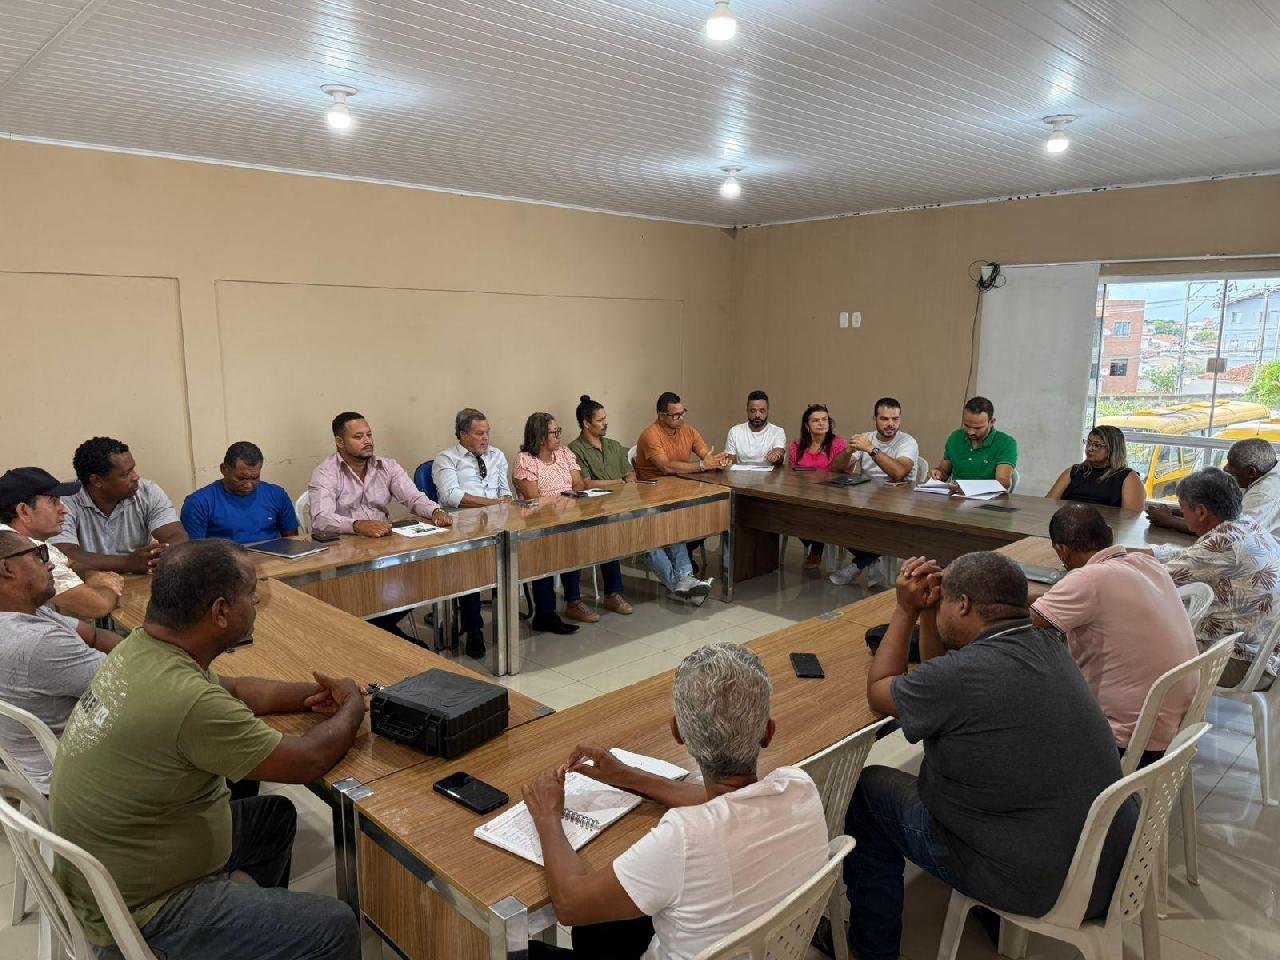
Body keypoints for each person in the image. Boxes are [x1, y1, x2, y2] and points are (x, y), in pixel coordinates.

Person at [51, 539, 364, 960]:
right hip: (144, 912)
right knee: (334, 925)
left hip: (112, 873)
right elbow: (307, 761)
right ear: (220, 612)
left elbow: (236, 689)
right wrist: (354, 708)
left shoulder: (140, 648)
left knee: (274, 817)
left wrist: (315, 695)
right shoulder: (188, 701)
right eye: (250, 595)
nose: (255, 604)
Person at [844, 552, 1137, 960]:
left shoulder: (962, 678)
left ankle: (871, 950)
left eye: (944, 599)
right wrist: (931, 615)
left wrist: (905, 609)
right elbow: (942, 673)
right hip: (1112, 866)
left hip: (1039, 883)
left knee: (869, 793)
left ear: (963, 604)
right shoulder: (1050, 642)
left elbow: (880, 686)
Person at [521, 643, 828, 960]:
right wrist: (627, 776)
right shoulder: (799, 786)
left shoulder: (684, 838)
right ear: (768, 733)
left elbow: (570, 904)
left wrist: (548, 814)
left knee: (516, 950)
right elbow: (727, 801)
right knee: (600, 924)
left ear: (677, 731)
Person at [1031, 504, 1198, 766]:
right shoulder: (1146, 563)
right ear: (1109, 534)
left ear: (1061, 550)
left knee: (1022, 709)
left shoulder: (1088, 580)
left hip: (1128, 741)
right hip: (1174, 727)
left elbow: (1033, 623)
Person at [309, 411, 452, 640]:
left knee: (425, 580)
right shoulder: (326, 473)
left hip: (385, 550)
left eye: (369, 434)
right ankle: (392, 639)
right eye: (359, 436)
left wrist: (435, 511)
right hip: (347, 557)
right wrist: (357, 525)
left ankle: (373, 634)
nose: (368, 441)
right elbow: (321, 519)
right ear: (339, 442)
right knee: (359, 601)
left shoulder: (387, 467)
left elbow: (413, 499)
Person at [0, 530, 120, 793]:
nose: (51, 563)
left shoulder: (26, 613)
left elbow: (96, 635)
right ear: (7, 568)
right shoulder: (38, 642)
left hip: (36, 763)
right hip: (77, 778)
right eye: (39, 555)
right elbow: (131, 682)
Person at [1156, 468, 1280, 690]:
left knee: (1137, 639)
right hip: (1267, 656)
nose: (1182, 516)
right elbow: (1194, 556)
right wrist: (1148, 553)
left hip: (1240, 664)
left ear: (1201, 512)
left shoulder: (1220, 545)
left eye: (1183, 510)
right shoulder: (1246, 525)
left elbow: (1151, 582)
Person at [432, 408, 513, 658]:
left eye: (487, 432)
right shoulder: (446, 459)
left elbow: (505, 490)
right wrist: (491, 505)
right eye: (479, 433)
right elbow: (451, 497)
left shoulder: (497, 455)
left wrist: (505, 501)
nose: (485, 438)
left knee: (519, 550)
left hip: (499, 523)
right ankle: (474, 629)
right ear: (462, 434)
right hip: (462, 527)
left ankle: (532, 615)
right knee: (470, 567)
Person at [51, 436, 188, 575]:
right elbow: (63, 554)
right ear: (97, 480)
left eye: (133, 469)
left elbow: (177, 536)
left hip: (139, 582)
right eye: (125, 474)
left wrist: (161, 554)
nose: (136, 477)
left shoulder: (147, 492)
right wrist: (127, 563)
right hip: (87, 584)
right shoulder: (64, 500)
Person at [634, 392, 723, 602]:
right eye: (675, 415)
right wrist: (701, 466)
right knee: (656, 539)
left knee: (676, 530)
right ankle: (682, 584)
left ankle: (685, 583)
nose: (681, 418)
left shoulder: (688, 430)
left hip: (680, 494)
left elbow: (705, 454)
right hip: (650, 497)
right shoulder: (651, 434)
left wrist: (716, 460)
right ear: (661, 415)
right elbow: (665, 466)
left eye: (683, 413)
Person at [0, 467, 123, 619]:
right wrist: (107, 584)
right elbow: (97, 606)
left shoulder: (17, 539)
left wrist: (93, 575)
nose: (65, 510)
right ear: (24, 511)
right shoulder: (23, 553)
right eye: (54, 501)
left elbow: (70, 563)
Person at [513, 412, 596, 635]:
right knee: (547, 553)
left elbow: (579, 484)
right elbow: (533, 497)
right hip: (538, 523)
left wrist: (564, 503)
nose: (559, 436)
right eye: (554, 432)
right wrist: (561, 502)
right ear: (540, 436)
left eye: (559, 431)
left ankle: (574, 601)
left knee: (573, 542)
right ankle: (545, 614)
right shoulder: (525, 460)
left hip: (569, 516)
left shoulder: (565, 453)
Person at [829, 398, 919, 586]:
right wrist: (848, 451)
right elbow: (836, 469)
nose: (890, 424)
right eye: (885, 419)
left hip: (899, 503)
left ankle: (857, 565)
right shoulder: (865, 437)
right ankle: (873, 561)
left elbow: (899, 473)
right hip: (867, 499)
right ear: (875, 419)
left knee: (881, 526)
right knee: (835, 518)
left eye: (895, 419)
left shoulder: (907, 441)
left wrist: (871, 449)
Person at [566, 395, 635, 616]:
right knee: (598, 534)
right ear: (586, 423)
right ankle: (583, 600)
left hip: (619, 506)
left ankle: (613, 594)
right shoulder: (574, 449)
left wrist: (624, 483)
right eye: (600, 420)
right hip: (589, 510)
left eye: (606, 418)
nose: (606, 423)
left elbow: (631, 475)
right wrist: (619, 482)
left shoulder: (614, 446)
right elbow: (585, 483)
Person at [1148, 437, 1280, 541]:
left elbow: (1230, 532)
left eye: (1232, 465)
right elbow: (1223, 516)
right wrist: (1179, 511)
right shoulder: (1263, 472)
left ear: (1251, 472)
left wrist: (1169, 521)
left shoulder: (1265, 493)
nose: (1225, 468)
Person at [181, 442, 300, 543]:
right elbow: (193, 554)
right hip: (225, 566)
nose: (249, 485)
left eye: (255, 478)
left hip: (275, 565)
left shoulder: (277, 495)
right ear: (224, 469)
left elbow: (292, 542)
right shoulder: (198, 503)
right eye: (241, 478)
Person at [788, 403, 853, 570]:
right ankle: (815, 541)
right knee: (786, 514)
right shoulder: (797, 446)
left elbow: (843, 471)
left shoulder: (839, 444)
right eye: (816, 420)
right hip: (805, 493)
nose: (821, 423)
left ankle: (816, 549)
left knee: (818, 513)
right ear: (806, 425)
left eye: (825, 419)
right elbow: (792, 473)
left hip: (832, 495)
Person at [1046, 426, 1145, 510]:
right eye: (1088, 443)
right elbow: (1047, 503)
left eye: (1097, 445)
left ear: (1113, 449)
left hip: (1105, 529)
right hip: (1067, 524)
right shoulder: (1074, 471)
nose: (1089, 448)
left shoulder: (1128, 477)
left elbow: (1131, 519)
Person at [928, 396, 1017, 489]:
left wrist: (968, 488)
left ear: (992, 422)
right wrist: (937, 474)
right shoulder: (956, 436)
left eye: (978, 428)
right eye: (967, 425)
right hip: (955, 498)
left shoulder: (1006, 443)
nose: (970, 432)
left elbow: (1003, 483)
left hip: (987, 500)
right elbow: (945, 471)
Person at [724, 390, 786, 466]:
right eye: (753, 411)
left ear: (767, 411)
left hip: (769, 477)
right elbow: (730, 463)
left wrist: (776, 456)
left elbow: (779, 454)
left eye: (762, 411)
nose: (757, 415)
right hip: (741, 476)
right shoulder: (735, 431)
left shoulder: (777, 431)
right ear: (747, 410)